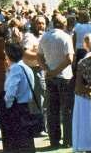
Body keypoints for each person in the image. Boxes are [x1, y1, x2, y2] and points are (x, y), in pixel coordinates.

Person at [38, 13, 74, 148]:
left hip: (51, 77)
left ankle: (54, 140)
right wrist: (55, 71)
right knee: (67, 110)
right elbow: (69, 59)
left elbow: (39, 56)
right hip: (64, 77)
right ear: (64, 24)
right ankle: (68, 140)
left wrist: (47, 70)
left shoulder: (45, 36)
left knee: (53, 109)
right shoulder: (65, 37)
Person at [0, 41, 36, 152]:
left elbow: (10, 93)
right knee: (26, 143)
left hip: (15, 110)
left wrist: (6, 107)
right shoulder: (26, 67)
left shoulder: (15, 69)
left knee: (14, 144)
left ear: (9, 55)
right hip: (25, 108)